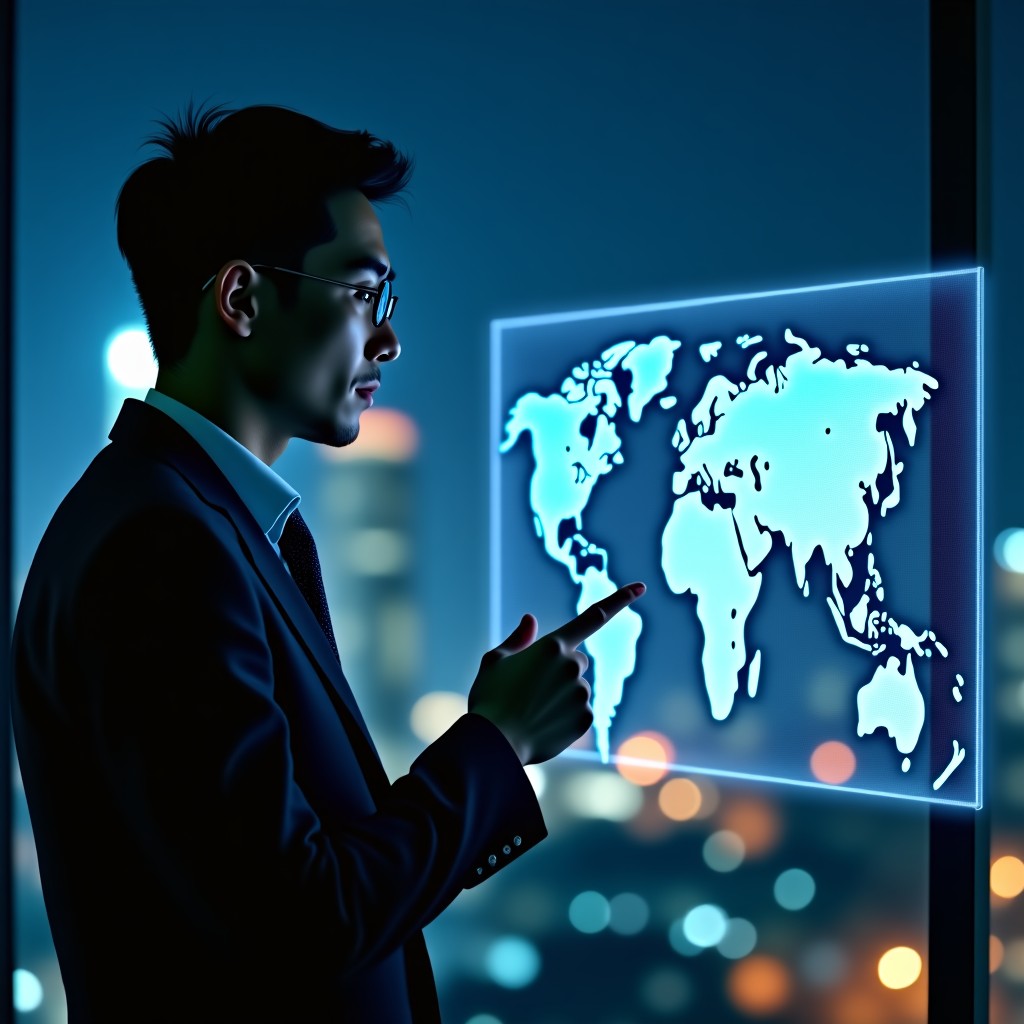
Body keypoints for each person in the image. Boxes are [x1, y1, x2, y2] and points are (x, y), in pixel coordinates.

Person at [10, 102, 645, 1023]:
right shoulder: (161, 547)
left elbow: (321, 866)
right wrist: (498, 744)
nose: (388, 338)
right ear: (241, 298)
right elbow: (302, 917)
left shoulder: (212, 526)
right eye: (361, 294)